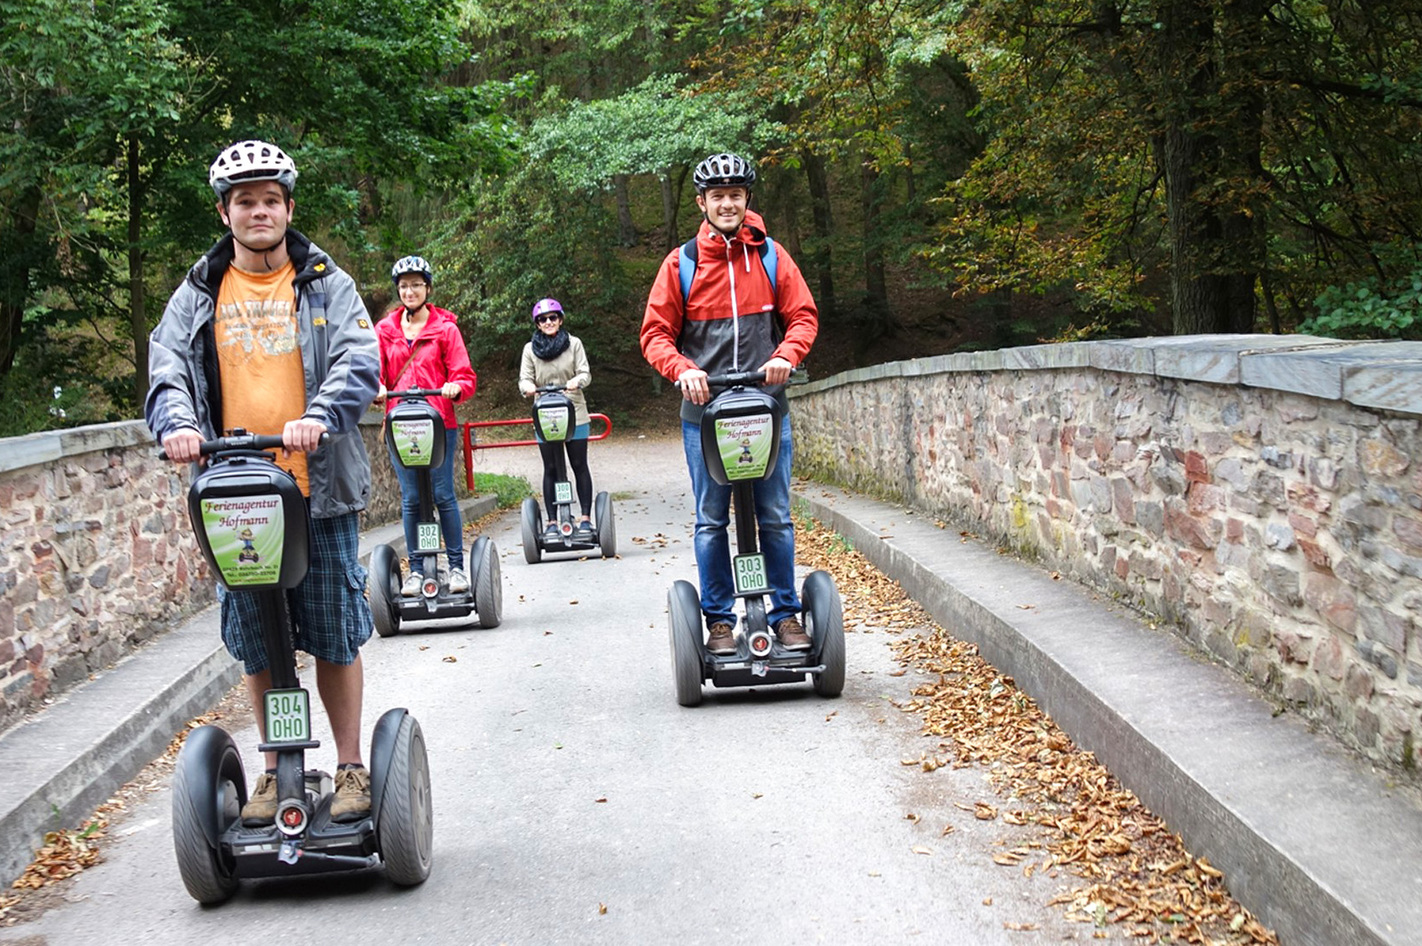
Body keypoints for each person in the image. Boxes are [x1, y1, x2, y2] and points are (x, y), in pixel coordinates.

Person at [145, 140, 380, 825]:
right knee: (256, 636)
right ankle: (282, 767)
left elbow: (358, 359)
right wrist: (178, 427)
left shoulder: (326, 282)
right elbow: (167, 372)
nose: (258, 211)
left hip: (319, 486)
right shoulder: (198, 292)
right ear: (225, 211)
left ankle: (350, 767)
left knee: (334, 631)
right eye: (244, 201)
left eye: (270, 199)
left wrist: (319, 416)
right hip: (235, 492)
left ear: (288, 207)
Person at [640, 152, 819, 655]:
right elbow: (655, 335)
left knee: (777, 515)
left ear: (747, 200)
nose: (726, 203)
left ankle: (785, 614)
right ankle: (719, 620)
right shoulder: (682, 264)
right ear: (702, 203)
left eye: (735, 195)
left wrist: (785, 355)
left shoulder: (771, 257)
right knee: (710, 518)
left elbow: (803, 316)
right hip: (705, 414)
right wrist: (684, 369)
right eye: (716, 196)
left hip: (766, 407)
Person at [373, 256, 477, 595]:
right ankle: (416, 570)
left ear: (427, 288)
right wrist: (376, 389)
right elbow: (374, 372)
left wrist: (455, 386)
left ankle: (457, 567)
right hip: (401, 426)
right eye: (404, 286)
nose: (410, 291)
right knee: (412, 497)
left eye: (416, 284)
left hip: (438, 422)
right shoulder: (385, 331)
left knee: (443, 494)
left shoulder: (445, 329)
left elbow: (464, 374)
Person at [519, 298, 595, 537]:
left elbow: (585, 372)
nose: (548, 322)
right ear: (538, 324)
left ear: (560, 320)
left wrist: (576, 381)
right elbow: (524, 379)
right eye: (543, 319)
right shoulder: (530, 349)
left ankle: (585, 517)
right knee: (550, 467)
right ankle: (552, 521)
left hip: (574, 412)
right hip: (545, 413)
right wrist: (528, 387)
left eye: (553, 317)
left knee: (579, 464)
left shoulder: (574, 344)